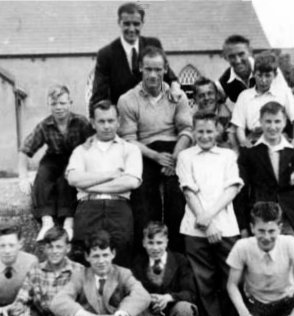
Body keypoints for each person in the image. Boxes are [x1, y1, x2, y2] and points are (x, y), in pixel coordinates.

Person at [176, 111, 244, 316]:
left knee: (231, 283)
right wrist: (205, 221)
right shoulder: (185, 156)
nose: (205, 136)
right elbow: (188, 190)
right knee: (205, 286)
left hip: (225, 228)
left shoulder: (228, 156)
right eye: (200, 131)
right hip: (195, 230)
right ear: (193, 132)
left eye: (209, 131)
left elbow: (232, 188)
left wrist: (212, 218)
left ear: (217, 132)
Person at [118, 45, 193, 252]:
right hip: (144, 151)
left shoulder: (178, 96)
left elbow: (186, 130)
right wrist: (155, 157)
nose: (153, 75)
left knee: (177, 194)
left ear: (166, 69)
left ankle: (177, 255)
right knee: (142, 195)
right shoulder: (127, 100)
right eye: (148, 69)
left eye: (158, 69)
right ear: (140, 68)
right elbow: (129, 139)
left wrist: (174, 158)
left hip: (174, 149)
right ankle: (145, 256)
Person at [66, 100, 142, 268]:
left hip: (119, 207)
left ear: (118, 121)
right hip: (88, 207)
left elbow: (131, 181)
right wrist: (110, 176)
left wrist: (89, 185)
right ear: (93, 122)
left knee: (121, 259)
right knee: (85, 260)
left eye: (111, 120)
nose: (107, 126)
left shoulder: (130, 149)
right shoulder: (81, 150)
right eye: (101, 121)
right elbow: (73, 179)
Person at [236, 101, 294, 250]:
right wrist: (243, 227)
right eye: (268, 121)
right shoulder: (250, 152)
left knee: (289, 252)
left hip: (290, 218)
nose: (273, 127)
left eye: (277, 121)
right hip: (261, 217)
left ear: (285, 122)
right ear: (260, 122)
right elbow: (241, 192)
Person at [18, 85, 94, 241]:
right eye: (54, 104)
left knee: (66, 180)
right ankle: (47, 222)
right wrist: (23, 177)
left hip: (74, 157)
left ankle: (68, 222)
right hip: (53, 157)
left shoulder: (80, 122)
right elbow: (25, 149)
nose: (58, 108)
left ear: (70, 102)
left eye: (62, 103)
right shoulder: (45, 125)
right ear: (49, 105)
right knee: (42, 176)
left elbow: (93, 142)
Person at [90, 2, 181, 109]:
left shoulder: (153, 45)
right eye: (127, 24)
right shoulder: (106, 54)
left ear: (142, 23)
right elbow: (99, 96)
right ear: (119, 23)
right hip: (122, 117)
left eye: (136, 24)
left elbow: (170, 77)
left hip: (153, 114)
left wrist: (175, 86)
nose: (132, 29)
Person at [132, 221, 197, 316]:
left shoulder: (180, 260)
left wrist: (169, 297)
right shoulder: (138, 262)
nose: (155, 248)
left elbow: (190, 292)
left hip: (174, 307)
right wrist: (148, 299)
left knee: (184, 309)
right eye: (150, 242)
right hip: (151, 309)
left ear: (167, 242)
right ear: (143, 243)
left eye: (159, 242)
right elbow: (132, 291)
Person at [230, 52, 294, 147]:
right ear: (253, 74)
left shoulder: (283, 93)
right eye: (259, 75)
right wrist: (244, 141)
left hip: (279, 139)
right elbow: (239, 126)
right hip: (254, 141)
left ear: (275, 75)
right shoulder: (244, 96)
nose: (263, 80)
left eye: (268, 76)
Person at [217, 34, 290, 105]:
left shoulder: (270, 68)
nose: (238, 61)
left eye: (241, 54)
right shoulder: (223, 83)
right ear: (225, 58)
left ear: (250, 52)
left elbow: (285, 98)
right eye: (232, 56)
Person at [192, 77, 233, 149]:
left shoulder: (229, 117)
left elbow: (234, 143)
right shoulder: (190, 118)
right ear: (195, 99)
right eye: (201, 95)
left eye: (210, 93)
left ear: (217, 95)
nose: (206, 98)